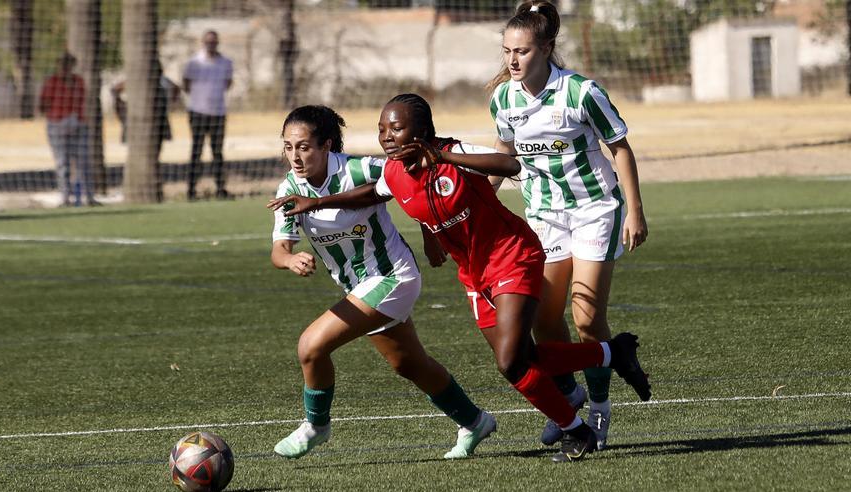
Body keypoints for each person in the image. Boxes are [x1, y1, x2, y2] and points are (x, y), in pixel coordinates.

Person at [270, 94, 651, 463]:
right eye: (381, 129)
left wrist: (445, 156)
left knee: (509, 362)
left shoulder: (448, 153)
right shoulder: (391, 172)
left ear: (420, 134)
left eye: (395, 129)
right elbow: (377, 192)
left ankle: (575, 428)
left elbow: (509, 165)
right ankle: (610, 354)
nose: (386, 137)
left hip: (508, 255)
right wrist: (316, 209)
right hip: (472, 271)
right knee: (510, 359)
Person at [268, 105, 497, 460]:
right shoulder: (288, 188)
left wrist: (430, 233)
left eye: (304, 147)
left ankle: (316, 426)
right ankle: (474, 421)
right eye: (288, 147)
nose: (295, 157)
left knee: (310, 346)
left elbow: (414, 182)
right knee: (408, 364)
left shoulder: (360, 168)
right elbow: (279, 250)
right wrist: (290, 259)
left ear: (326, 145)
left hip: (393, 276)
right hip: (359, 287)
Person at [486, 1, 649, 450]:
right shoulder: (503, 99)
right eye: (506, 51)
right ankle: (568, 395)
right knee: (542, 320)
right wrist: (480, 196)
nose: (513, 60)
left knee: (587, 317)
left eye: (522, 51)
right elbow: (505, 157)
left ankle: (599, 408)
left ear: (546, 48)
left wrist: (634, 210)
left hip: (594, 208)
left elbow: (620, 148)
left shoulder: (580, 92)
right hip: (543, 215)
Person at [112, 61, 179, 202]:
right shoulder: (136, 80)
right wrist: (121, 111)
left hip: (159, 123)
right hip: (139, 126)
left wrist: (170, 104)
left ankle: (154, 186)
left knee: (155, 155)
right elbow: (114, 90)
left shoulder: (164, 82)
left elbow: (176, 89)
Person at [39, 52, 97, 207]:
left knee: (83, 161)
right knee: (62, 162)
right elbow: (42, 105)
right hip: (58, 126)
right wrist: (57, 117)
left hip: (78, 125)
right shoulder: (52, 82)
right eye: (62, 64)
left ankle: (88, 197)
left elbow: (83, 103)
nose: (65, 67)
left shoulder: (79, 82)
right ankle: (65, 197)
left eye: (68, 64)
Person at [183, 30, 233, 200]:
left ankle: (221, 189)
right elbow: (186, 84)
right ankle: (191, 191)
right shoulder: (194, 62)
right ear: (203, 43)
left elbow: (228, 83)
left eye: (214, 42)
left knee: (217, 152)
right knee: (196, 151)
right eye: (208, 42)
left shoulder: (226, 62)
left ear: (217, 43)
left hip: (218, 112)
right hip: (197, 112)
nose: (211, 45)